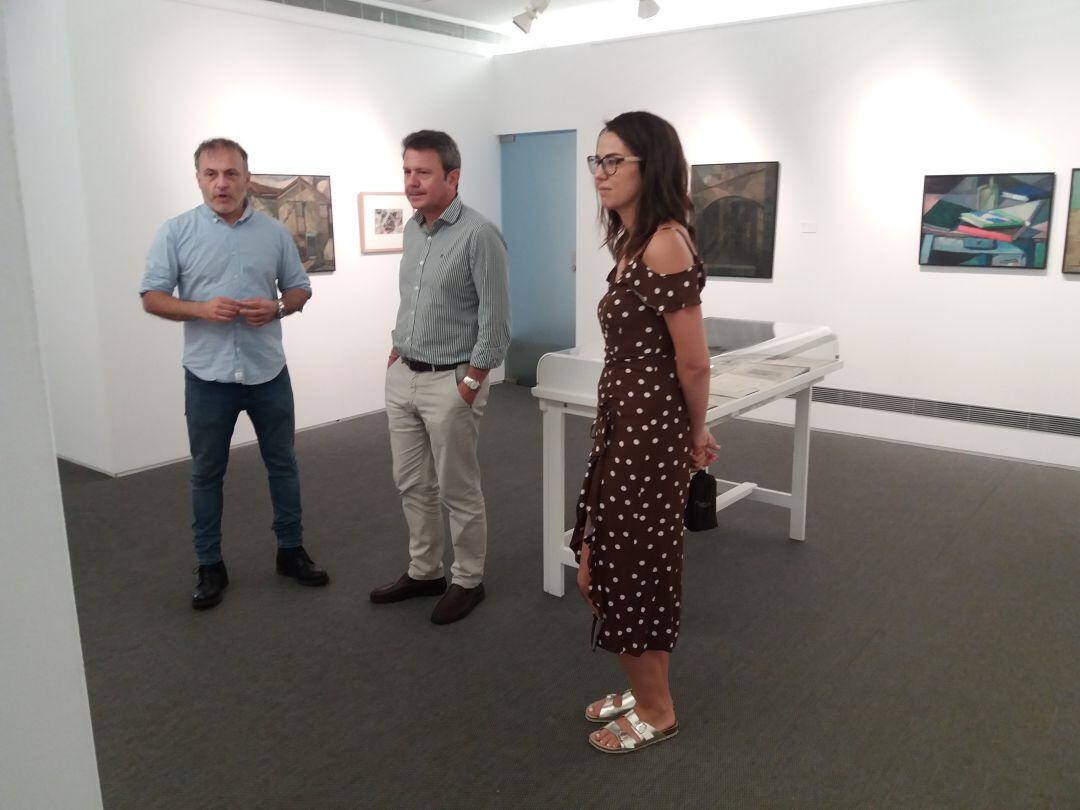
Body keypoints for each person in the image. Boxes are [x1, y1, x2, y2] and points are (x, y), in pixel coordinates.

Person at [574, 112, 720, 753]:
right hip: (627, 426)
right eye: (596, 162)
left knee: (623, 566)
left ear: (649, 165)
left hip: (648, 436)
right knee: (620, 561)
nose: (601, 174)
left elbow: (693, 360)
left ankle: (658, 709)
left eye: (615, 162)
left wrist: (696, 432)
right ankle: (646, 688)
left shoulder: (663, 241)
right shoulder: (635, 242)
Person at [140, 137, 329, 611]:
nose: (221, 183)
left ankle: (291, 551)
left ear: (247, 178)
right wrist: (201, 308)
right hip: (208, 378)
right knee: (206, 474)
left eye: (230, 174)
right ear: (199, 177)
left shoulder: (273, 233)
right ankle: (210, 564)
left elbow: (300, 289)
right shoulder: (175, 232)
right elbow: (152, 296)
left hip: (268, 373)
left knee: (283, 465)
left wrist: (280, 307)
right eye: (211, 174)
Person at [370, 130, 511, 625]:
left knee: (457, 488)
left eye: (423, 172)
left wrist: (470, 383)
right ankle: (424, 570)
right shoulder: (413, 230)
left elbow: (495, 324)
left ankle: (468, 579)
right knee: (411, 484)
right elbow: (414, 300)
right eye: (407, 171)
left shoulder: (479, 235)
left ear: (452, 176)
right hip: (404, 374)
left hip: (451, 382)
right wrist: (395, 350)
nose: (412, 181)